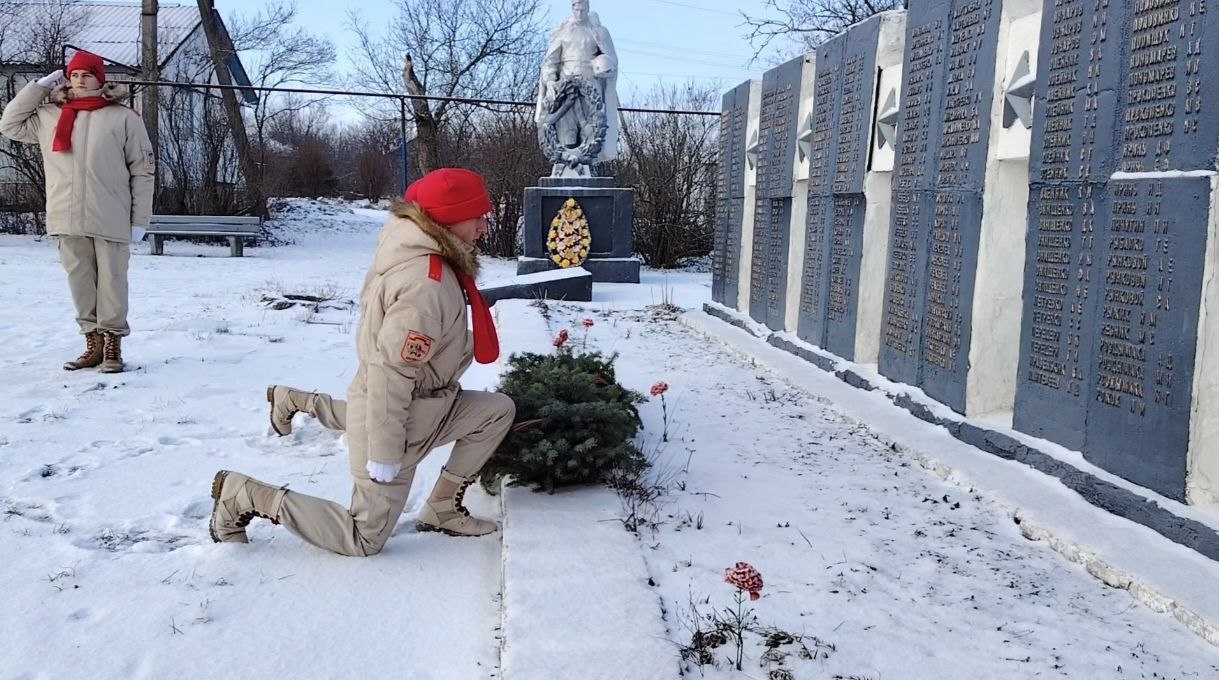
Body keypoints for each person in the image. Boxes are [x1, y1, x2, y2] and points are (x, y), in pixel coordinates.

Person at [209, 168, 515, 557]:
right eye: (477, 216)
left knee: (495, 411)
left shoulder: (431, 260)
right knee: (364, 538)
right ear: (450, 219)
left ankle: (441, 508)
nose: (484, 226)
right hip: (396, 422)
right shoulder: (426, 285)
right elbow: (391, 374)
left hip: (430, 406)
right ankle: (245, 495)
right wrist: (385, 454)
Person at [0, 51, 154, 373]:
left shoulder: (123, 118)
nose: (80, 80)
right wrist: (39, 87)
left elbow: (143, 171)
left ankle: (112, 345)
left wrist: (139, 219)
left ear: (100, 79)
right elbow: (9, 124)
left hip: (110, 215)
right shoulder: (49, 115)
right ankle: (92, 343)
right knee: (80, 282)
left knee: (112, 282)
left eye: (87, 74)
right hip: (65, 214)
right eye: (74, 75)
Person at [534, 0, 621, 172]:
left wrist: (605, 68)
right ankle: (565, 165)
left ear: (588, 8)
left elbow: (611, 60)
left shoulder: (597, 31)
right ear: (572, 8)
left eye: (583, 9)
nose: (580, 13)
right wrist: (550, 82)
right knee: (567, 127)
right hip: (566, 87)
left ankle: (588, 166)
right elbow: (550, 62)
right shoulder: (563, 31)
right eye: (577, 9)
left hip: (591, 87)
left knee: (591, 127)